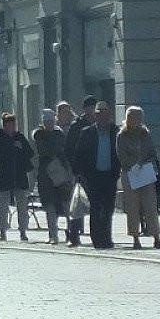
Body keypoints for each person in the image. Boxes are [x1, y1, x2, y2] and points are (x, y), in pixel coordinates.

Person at [0, 112, 35, 242]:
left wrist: (21, 148)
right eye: (9, 125)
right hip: (3, 176)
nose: (12, 127)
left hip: (19, 175)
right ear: (4, 126)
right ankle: (2, 231)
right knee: (3, 206)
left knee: (22, 206)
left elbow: (30, 153)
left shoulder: (20, 138)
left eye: (13, 125)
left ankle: (23, 232)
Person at [72, 101, 121, 250]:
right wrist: (79, 174)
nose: (102, 117)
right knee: (95, 207)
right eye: (99, 114)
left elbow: (120, 153)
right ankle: (97, 238)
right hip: (93, 177)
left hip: (110, 175)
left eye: (105, 114)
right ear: (95, 116)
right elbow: (79, 155)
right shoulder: (87, 132)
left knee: (108, 208)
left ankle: (107, 237)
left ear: (109, 115)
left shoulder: (116, 131)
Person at [117, 106, 160, 250]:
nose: (135, 120)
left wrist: (145, 163)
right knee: (132, 207)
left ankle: (156, 237)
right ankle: (135, 238)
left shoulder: (145, 134)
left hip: (145, 173)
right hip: (129, 173)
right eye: (132, 117)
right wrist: (132, 165)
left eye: (138, 117)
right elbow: (121, 155)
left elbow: (152, 152)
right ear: (127, 119)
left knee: (150, 206)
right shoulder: (122, 135)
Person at [33, 108, 72, 245]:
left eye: (50, 121)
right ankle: (53, 235)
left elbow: (62, 152)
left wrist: (66, 170)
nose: (48, 123)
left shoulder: (58, 134)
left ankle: (70, 232)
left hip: (59, 172)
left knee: (66, 203)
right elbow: (44, 152)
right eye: (46, 121)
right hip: (46, 174)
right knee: (50, 205)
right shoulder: (40, 135)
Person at [63, 96, 97, 247]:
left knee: (96, 204)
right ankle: (74, 234)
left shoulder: (100, 124)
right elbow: (69, 149)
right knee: (77, 204)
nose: (92, 109)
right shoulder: (77, 126)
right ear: (85, 109)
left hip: (98, 171)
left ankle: (97, 234)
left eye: (94, 106)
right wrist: (74, 168)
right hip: (81, 171)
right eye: (90, 106)